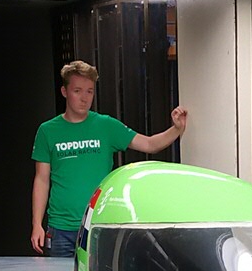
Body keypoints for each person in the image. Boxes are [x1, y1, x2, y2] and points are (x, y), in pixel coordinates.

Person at [31, 61, 188, 257]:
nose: (84, 98)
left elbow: (149, 145)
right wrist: (37, 224)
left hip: (96, 225)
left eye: (89, 91)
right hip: (61, 228)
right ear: (64, 91)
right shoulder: (47, 131)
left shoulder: (105, 126)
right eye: (77, 90)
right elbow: (41, 179)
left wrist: (177, 129)